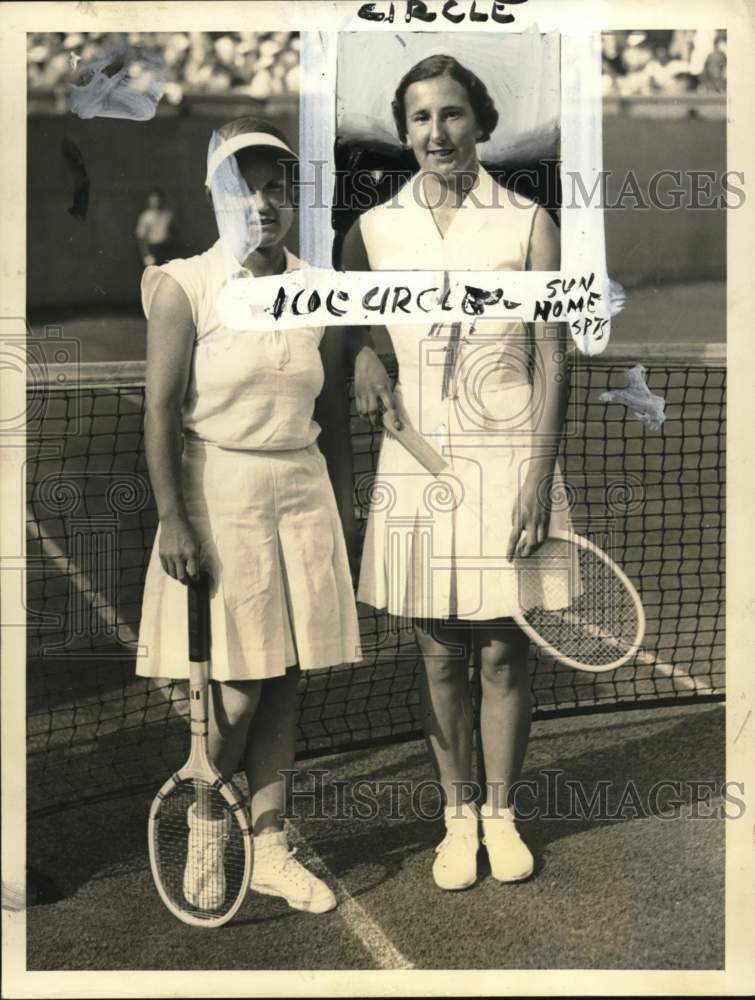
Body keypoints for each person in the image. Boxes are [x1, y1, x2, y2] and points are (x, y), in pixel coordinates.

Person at [340, 55, 573, 890]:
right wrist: (367, 354)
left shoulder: (528, 222)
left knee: (506, 650)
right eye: (419, 119)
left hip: (511, 455)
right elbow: (356, 326)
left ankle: (503, 816)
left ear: (480, 122)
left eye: (451, 115)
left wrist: (538, 479)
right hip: (416, 458)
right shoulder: (373, 230)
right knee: (439, 653)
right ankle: (457, 818)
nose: (436, 134)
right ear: (403, 132)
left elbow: (553, 357)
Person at [137, 117, 362, 914]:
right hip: (218, 495)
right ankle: (206, 825)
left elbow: (331, 416)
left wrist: (341, 513)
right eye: (243, 186)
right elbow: (159, 413)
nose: (261, 203)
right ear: (215, 193)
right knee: (235, 692)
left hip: (301, 496)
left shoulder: (315, 288)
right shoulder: (182, 286)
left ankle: (270, 845)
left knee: (288, 682)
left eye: (275, 187)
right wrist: (173, 519)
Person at [135, 189, 174, 266]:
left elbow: (172, 232)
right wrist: (146, 255)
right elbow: (141, 239)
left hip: (166, 249)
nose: (156, 203)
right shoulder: (145, 216)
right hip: (152, 250)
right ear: (149, 202)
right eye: (153, 201)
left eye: (158, 200)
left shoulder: (168, 215)